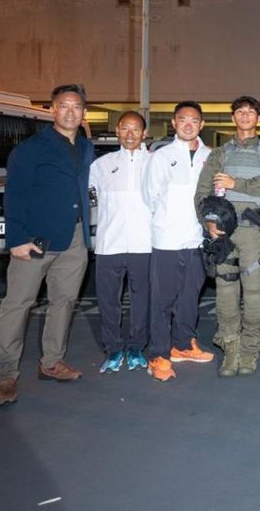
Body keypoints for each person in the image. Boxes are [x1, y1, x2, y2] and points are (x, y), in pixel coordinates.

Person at [0, 84, 94, 407]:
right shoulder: (31, 149)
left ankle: (51, 362)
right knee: (18, 304)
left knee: (64, 302)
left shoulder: (86, 147)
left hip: (74, 239)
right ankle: (6, 374)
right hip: (35, 240)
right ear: (52, 109)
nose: (70, 112)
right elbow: (15, 194)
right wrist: (16, 239)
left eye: (76, 107)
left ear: (84, 112)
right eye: (64, 106)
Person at [195, 96, 260, 377]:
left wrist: (237, 183)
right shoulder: (220, 154)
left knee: (255, 294)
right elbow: (202, 193)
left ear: (259, 118)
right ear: (233, 118)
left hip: (253, 233)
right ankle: (231, 349)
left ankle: (250, 351)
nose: (245, 116)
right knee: (225, 293)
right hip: (223, 232)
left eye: (250, 112)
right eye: (240, 112)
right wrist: (208, 222)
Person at [142, 101, 214, 382]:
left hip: (197, 240)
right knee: (162, 301)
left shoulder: (210, 156)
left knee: (189, 299)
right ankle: (158, 354)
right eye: (182, 119)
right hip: (167, 241)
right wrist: (166, 221)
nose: (188, 125)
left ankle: (183, 345)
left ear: (202, 125)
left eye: (194, 120)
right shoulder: (161, 156)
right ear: (174, 123)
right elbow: (149, 197)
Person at [89, 110, 151, 374]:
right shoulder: (102, 165)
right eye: (125, 128)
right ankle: (113, 348)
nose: (130, 134)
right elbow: (89, 199)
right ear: (117, 131)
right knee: (108, 301)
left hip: (144, 244)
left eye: (136, 129)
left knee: (142, 300)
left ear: (144, 133)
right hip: (109, 244)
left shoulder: (155, 163)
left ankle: (137, 346)